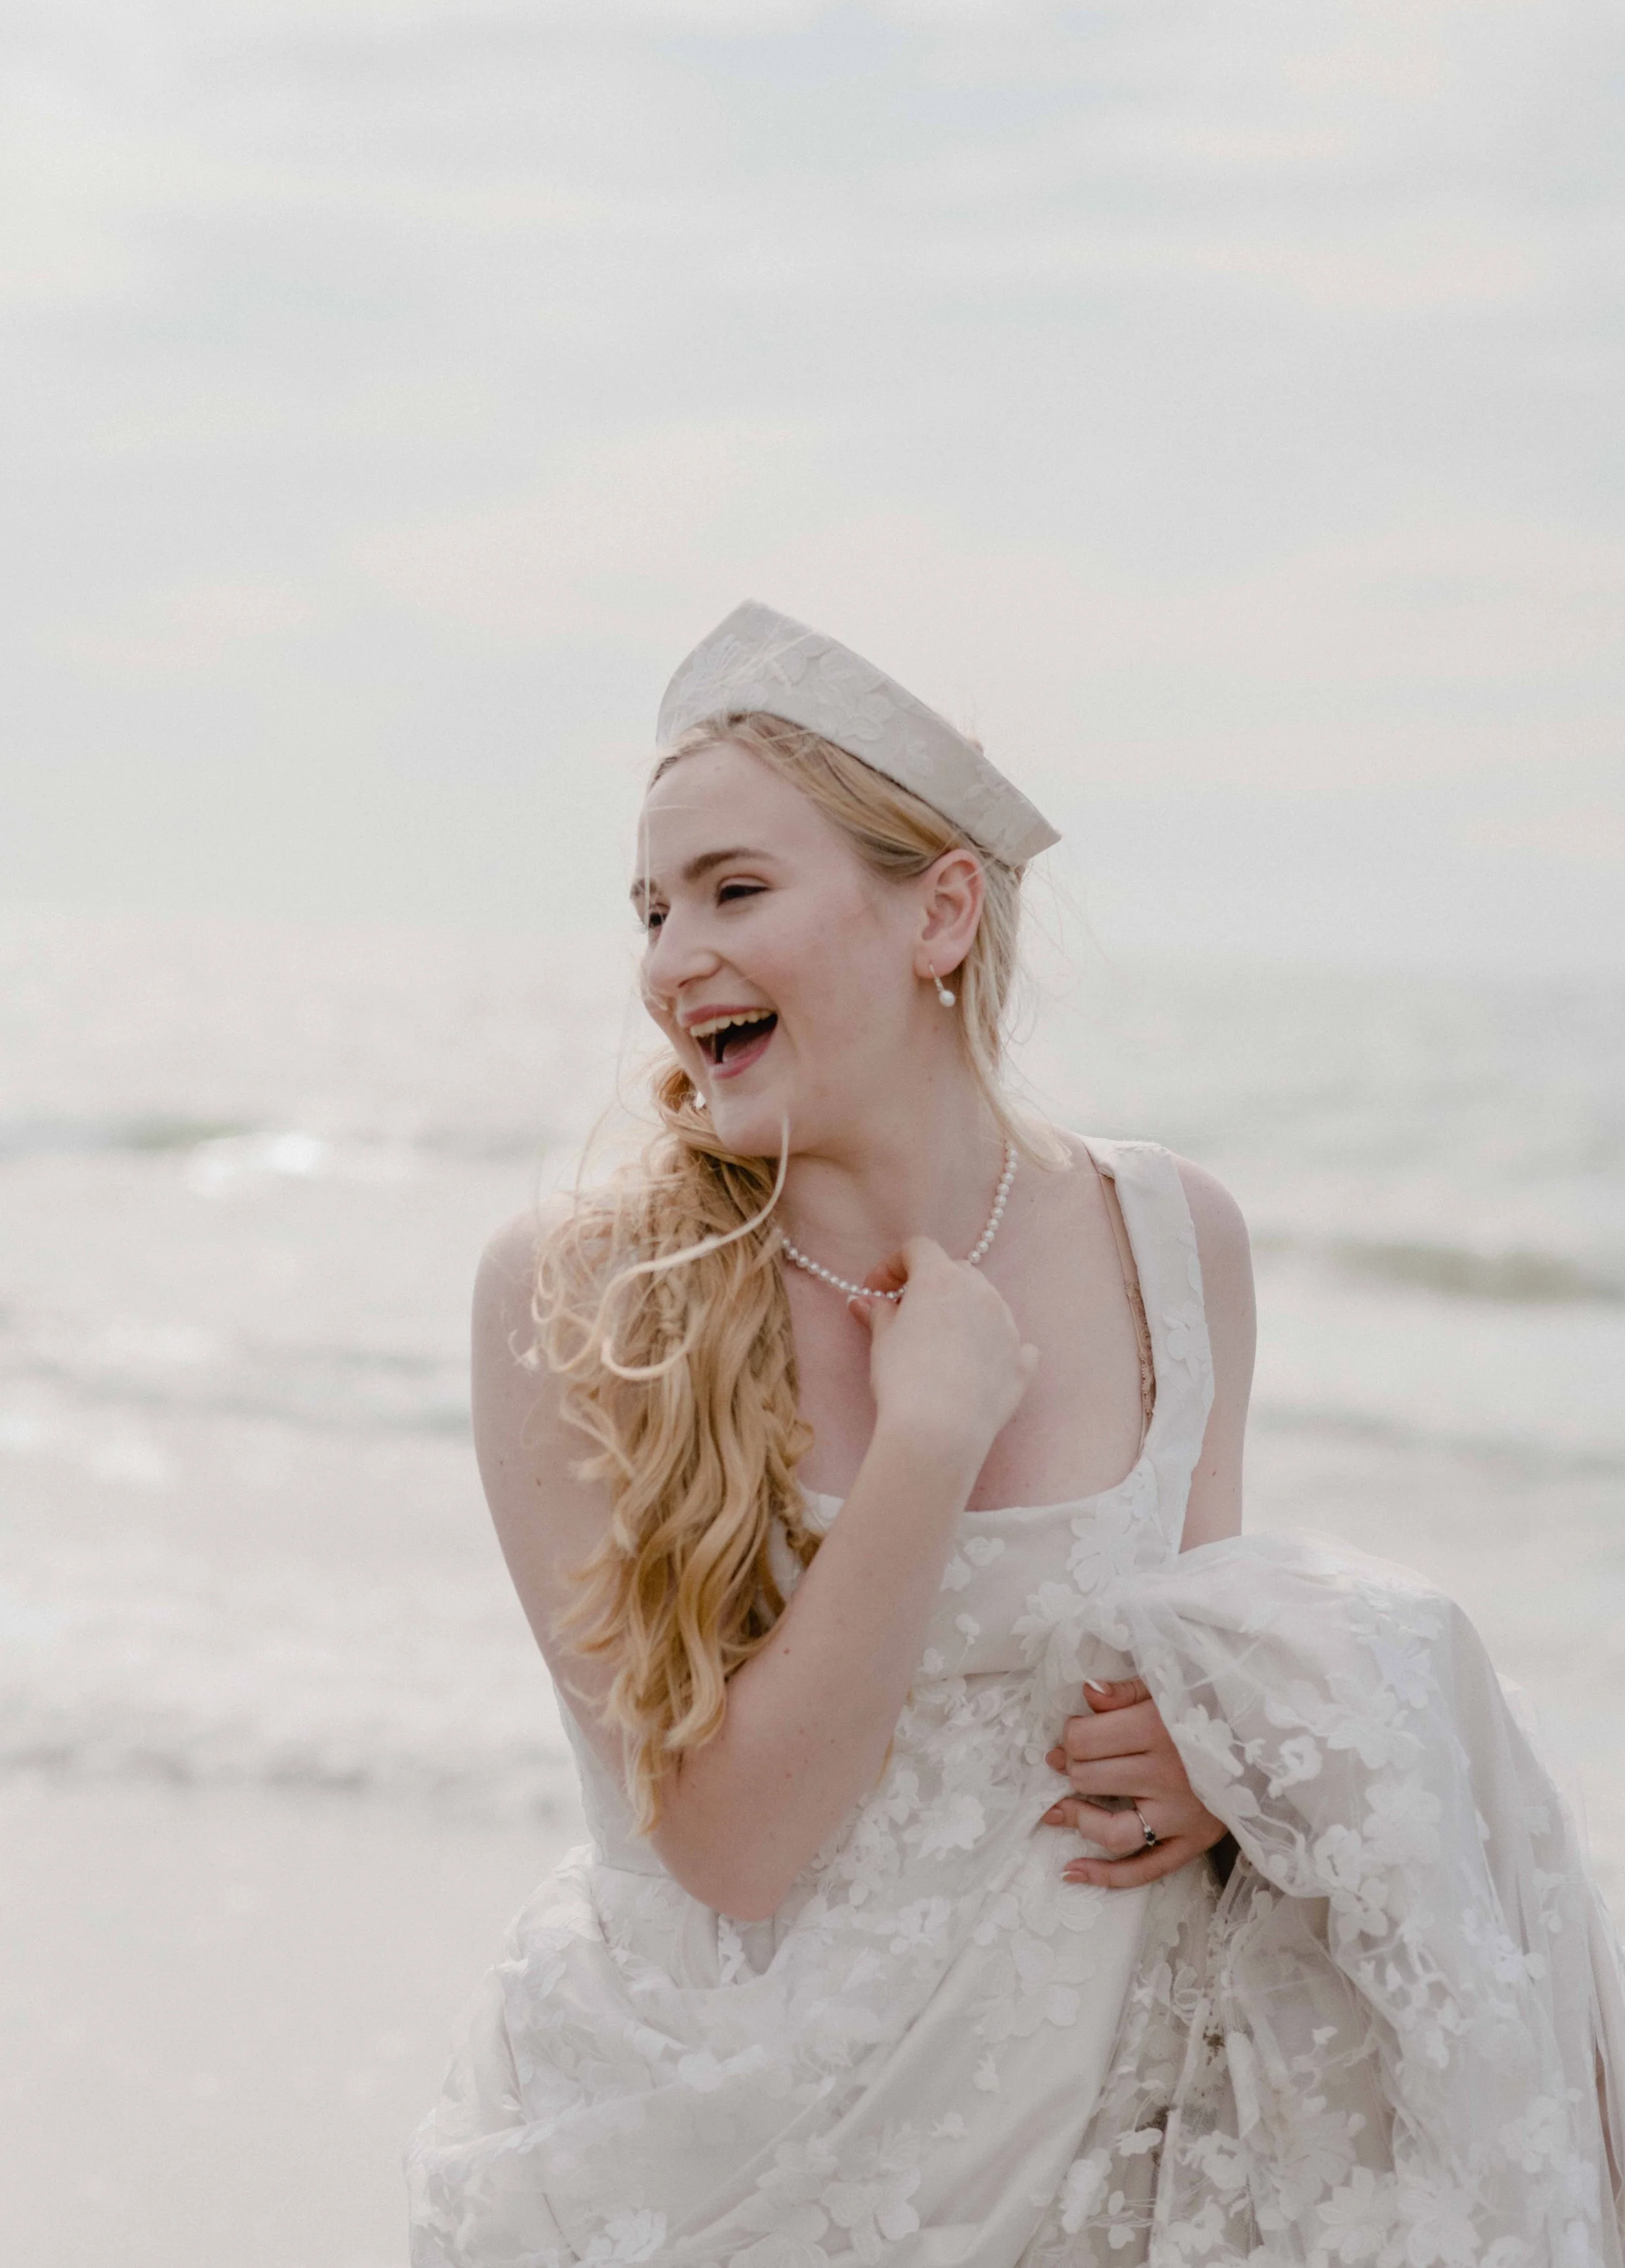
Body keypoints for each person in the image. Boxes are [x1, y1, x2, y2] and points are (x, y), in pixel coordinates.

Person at [408, 605, 1625, 2268]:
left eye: (733, 890)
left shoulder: (1168, 1243)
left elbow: (1199, 1648)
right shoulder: (576, 1295)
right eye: (651, 908)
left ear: (940, 912)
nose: (671, 957)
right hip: (715, 2160)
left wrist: (1220, 1766)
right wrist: (928, 1439)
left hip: (1103, 2160)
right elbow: (727, 1846)